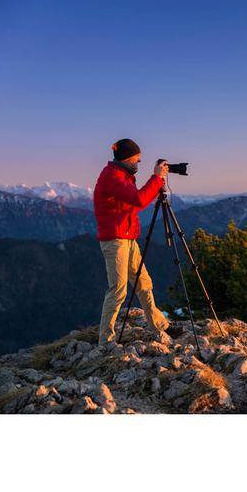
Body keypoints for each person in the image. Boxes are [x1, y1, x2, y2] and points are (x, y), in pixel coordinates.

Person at [93, 138, 182, 347]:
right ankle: (105, 341)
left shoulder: (122, 175)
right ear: (126, 158)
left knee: (144, 283)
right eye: (136, 160)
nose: (138, 164)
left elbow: (134, 202)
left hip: (127, 238)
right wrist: (157, 178)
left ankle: (159, 325)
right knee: (118, 290)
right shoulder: (112, 176)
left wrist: (156, 183)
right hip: (115, 241)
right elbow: (139, 200)